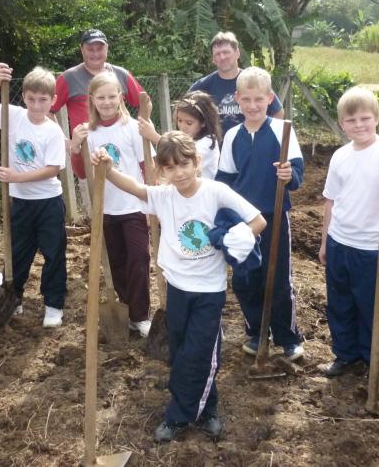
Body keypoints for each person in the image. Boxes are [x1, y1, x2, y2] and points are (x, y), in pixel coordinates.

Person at [91, 131, 266, 442]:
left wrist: (237, 237)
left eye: (185, 164)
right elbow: (132, 186)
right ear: (161, 171)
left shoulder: (216, 192)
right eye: (170, 168)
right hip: (177, 288)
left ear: (197, 162)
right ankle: (208, 407)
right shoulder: (164, 196)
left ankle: (178, 416)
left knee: (200, 352)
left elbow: (257, 220)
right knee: (185, 350)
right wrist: (106, 166)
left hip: (209, 291)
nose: (180, 172)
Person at [318, 87, 379, 383]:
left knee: (374, 306)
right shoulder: (340, 156)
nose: (359, 125)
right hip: (339, 241)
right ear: (342, 124)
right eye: (351, 120)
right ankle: (345, 354)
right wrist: (324, 242)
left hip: (373, 245)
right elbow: (330, 200)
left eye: (365, 118)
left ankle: (378, 360)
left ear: (377, 118)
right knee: (340, 302)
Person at [0, 63, 68, 328]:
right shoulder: (13, 115)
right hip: (21, 202)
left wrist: (16, 177)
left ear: (53, 101)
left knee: (53, 252)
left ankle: (53, 304)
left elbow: (52, 169)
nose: (36, 105)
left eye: (43, 100)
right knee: (17, 253)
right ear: (23, 97)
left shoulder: (53, 131)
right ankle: (14, 298)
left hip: (48, 202)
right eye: (32, 99)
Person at [216, 66, 305, 361]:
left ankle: (287, 337)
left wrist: (288, 175)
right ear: (238, 100)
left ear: (269, 99)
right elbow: (224, 180)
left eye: (259, 100)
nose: (253, 106)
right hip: (244, 221)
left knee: (277, 278)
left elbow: (297, 176)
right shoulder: (232, 136)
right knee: (245, 278)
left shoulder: (283, 131)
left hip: (275, 214)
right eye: (247, 100)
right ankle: (256, 331)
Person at [70, 71, 152, 337]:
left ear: (120, 97)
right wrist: (76, 146)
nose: (106, 102)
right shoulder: (88, 132)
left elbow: (145, 166)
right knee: (115, 262)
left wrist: (152, 203)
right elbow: (82, 172)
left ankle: (140, 315)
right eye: (100, 97)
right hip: (105, 209)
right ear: (91, 99)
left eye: (111, 96)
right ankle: (126, 309)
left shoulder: (132, 128)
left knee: (138, 259)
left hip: (134, 206)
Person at [51, 29, 146, 179]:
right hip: (87, 152)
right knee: (94, 199)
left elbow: (145, 101)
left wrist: (141, 130)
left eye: (100, 48)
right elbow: (47, 109)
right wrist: (65, 141)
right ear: (82, 50)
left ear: (107, 48)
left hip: (121, 151)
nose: (95, 53)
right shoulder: (69, 77)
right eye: (90, 49)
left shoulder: (121, 74)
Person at [190, 31, 284, 137]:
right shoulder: (203, 86)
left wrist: (266, 137)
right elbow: (183, 111)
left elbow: (278, 112)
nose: (222, 57)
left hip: (250, 147)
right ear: (213, 59)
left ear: (237, 53)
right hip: (216, 150)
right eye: (217, 54)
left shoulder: (253, 80)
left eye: (226, 52)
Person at [138, 90, 223, 179]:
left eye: (189, 123)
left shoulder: (208, 142)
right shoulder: (183, 137)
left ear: (203, 122)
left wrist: (153, 136)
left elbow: (181, 154)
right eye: (179, 120)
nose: (183, 127)